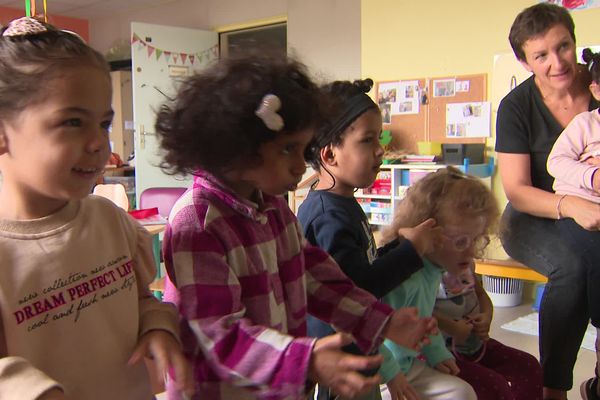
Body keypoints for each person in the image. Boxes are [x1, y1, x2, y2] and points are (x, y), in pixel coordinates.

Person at [155, 53, 437, 400]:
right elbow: (220, 335)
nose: (299, 165)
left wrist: (381, 321)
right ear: (239, 147)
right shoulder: (196, 224)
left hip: (276, 385)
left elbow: (314, 276)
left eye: (302, 149)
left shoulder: (272, 207)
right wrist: (307, 362)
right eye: (288, 149)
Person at [0, 17, 191, 400]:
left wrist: (158, 327)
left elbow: (143, 300)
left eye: (104, 123)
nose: (98, 144)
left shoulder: (109, 219)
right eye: (72, 122)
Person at [299, 78, 440, 400]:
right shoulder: (327, 216)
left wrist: (396, 246)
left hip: (357, 345)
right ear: (330, 155)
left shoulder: (339, 202)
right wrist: (411, 251)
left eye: (379, 138)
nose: (380, 150)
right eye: (367, 140)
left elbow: (358, 266)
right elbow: (356, 289)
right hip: (340, 359)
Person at [495, 4, 600, 399]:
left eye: (564, 47)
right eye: (541, 55)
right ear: (525, 62)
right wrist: (572, 205)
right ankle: (553, 389)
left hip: (590, 207)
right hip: (532, 215)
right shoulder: (516, 108)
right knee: (572, 270)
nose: (557, 63)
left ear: (575, 43)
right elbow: (518, 190)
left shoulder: (598, 85)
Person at [401, 169, 542, 400]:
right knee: (493, 387)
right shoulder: (416, 272)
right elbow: (412, 316)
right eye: (460, 241)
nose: (471, 251)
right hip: (436, 355)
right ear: (429, 230)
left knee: (527, 367)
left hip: (473, 345)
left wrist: (487, 315)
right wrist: (452, 326)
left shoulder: (463, 262)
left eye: (476, 239)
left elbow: (480, 293)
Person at [547, 47, 600, 400]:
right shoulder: (586, 124)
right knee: (594, 258)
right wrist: (592, 176)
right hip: (579, 210)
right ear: (596, 89)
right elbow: (556, 163)